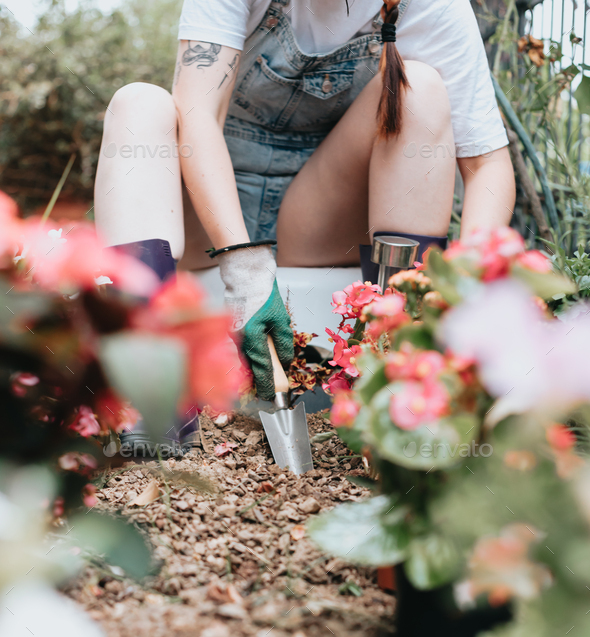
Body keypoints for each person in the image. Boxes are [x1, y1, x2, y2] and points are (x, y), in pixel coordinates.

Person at [95, 0, 515, 417]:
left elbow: (486, 166)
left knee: (416, 88)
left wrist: (462, 291)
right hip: (207, 211)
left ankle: (399, 369)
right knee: (139, 106)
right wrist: (246, 273)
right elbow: (198, 113)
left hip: (317, 215)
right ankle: (145, 395)